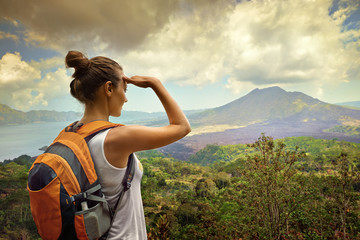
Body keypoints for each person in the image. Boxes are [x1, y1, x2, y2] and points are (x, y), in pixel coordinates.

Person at [65, 50, 191, 239]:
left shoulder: (72, 132)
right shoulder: (117, 137)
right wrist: (154, 84)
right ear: (109, 89)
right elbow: (182, 127)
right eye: (125, 89)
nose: (125, 98)